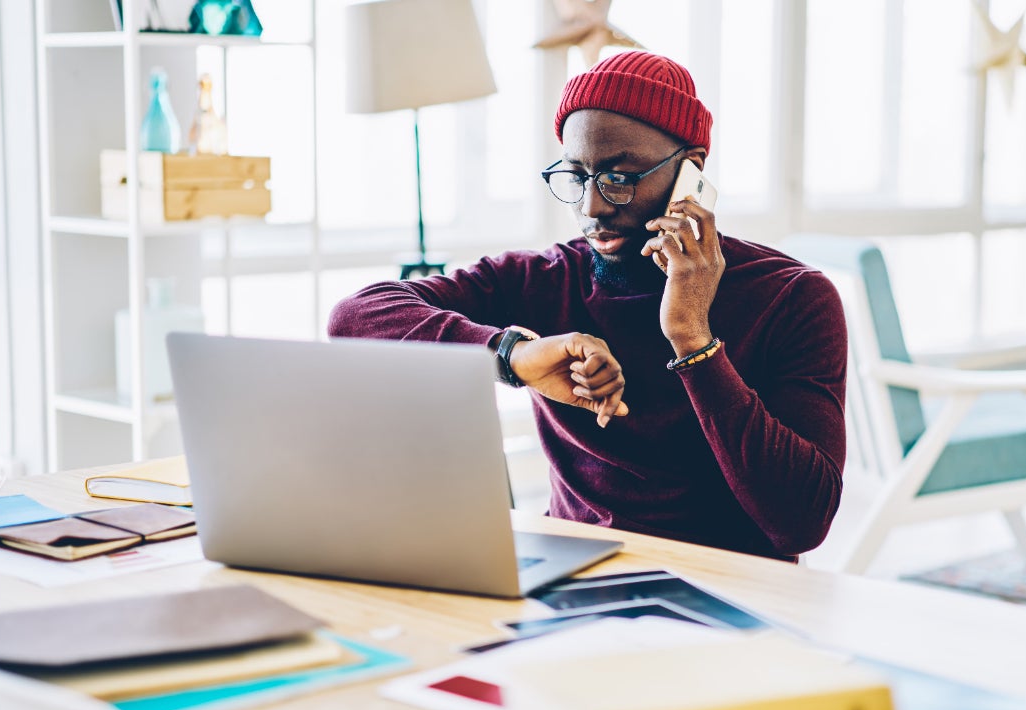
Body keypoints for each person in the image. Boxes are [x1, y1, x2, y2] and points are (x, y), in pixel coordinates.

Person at [328, 51, 847, 562]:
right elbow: (354, 317)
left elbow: (801, 523)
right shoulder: (545, 279)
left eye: (620, 178)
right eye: (577, 176)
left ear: (691, 174)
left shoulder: (794, 297)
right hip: (575, 574)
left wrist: (693, 338)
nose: (591, 208)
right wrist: (512, 355)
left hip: (732, 592)